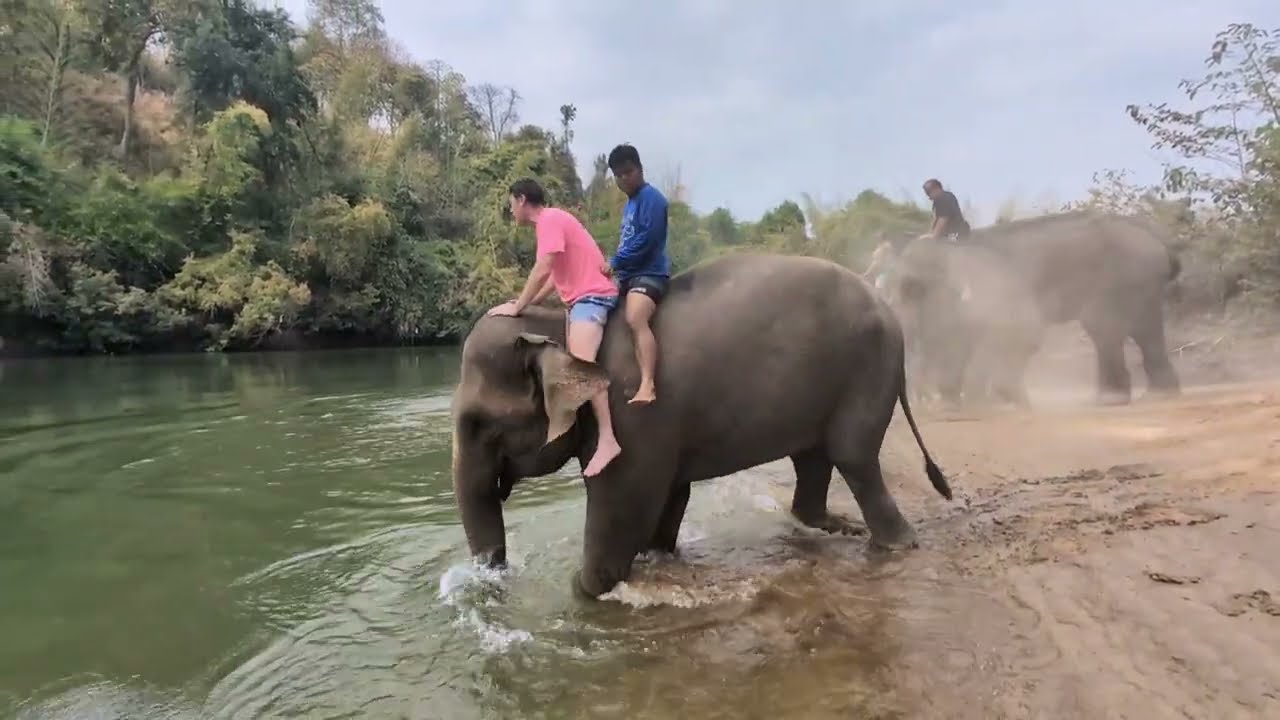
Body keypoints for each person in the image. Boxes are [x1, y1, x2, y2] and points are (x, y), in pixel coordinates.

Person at [486, 178, 623, 478]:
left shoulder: (549, 220)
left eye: (511, 204)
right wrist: (524, 303)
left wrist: (518, 307)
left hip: (592, 298)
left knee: (582, 366)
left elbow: (543, 268)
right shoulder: (553, 221)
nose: (511, 210)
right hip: (582, 299)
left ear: (522, 200)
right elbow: (552, 279)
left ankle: (608, 439)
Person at [605, 143, 671, 405]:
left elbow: (647, 241)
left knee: (635, 316)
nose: (624, 179)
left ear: (640, 169)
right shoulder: (631, 204)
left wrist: (617, 261)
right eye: (619, 175)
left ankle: (648, 383)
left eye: (628, 172)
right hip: (628, 274)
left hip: (649, 273)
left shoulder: (652, 199)